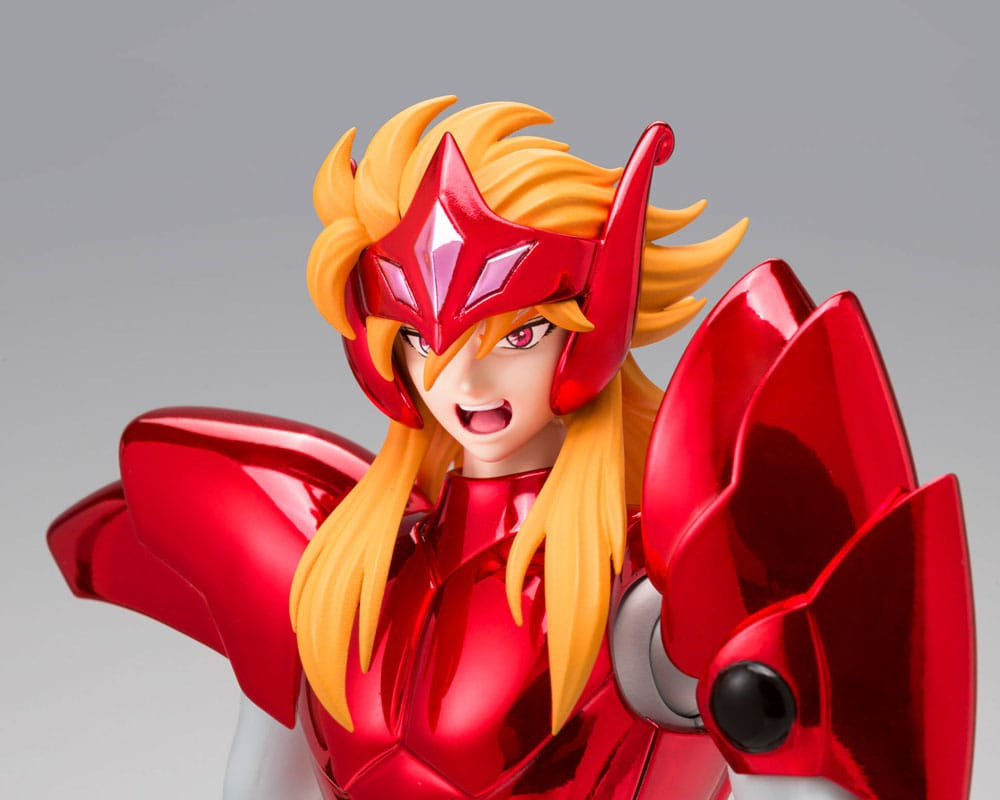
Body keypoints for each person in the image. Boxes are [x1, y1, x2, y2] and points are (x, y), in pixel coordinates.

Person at [49, 96, 975, 799]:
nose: (468, 380)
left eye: (518, 335)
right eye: (429, 343)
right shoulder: (338, 574)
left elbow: (821, 771)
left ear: (588, 329)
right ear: (384, 351)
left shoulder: (647, 600)